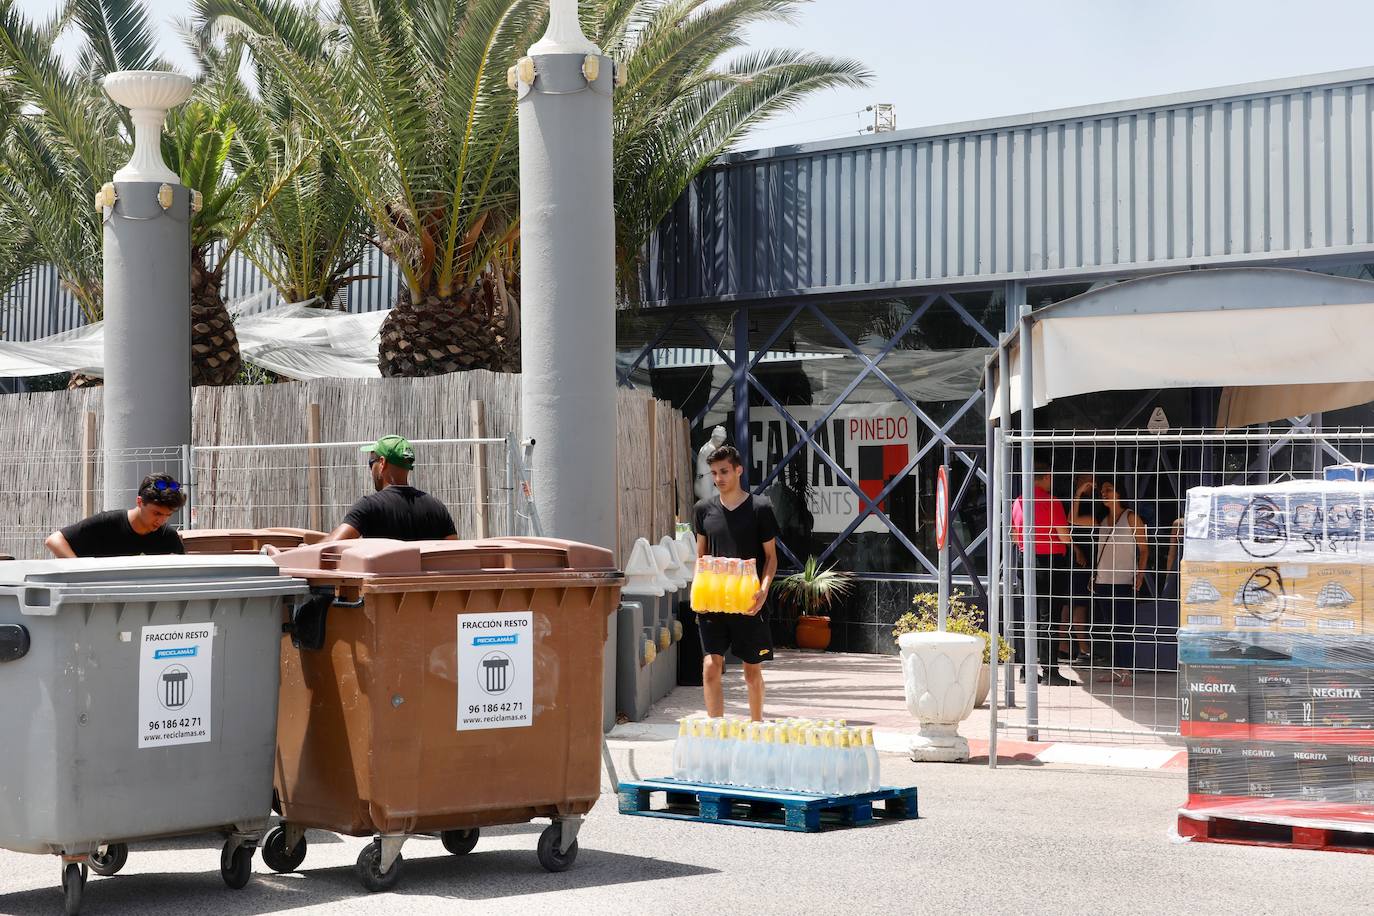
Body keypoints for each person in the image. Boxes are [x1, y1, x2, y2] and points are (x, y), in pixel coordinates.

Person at [693, 444, 778, 721]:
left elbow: (771, 558)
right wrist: (699, 595)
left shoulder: (760, 507)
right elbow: (701, 558)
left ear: (739, 470)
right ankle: (716, 735)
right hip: (713, 603)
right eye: (714, 473)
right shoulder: (703, 509)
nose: (719, 478)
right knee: (710, 667)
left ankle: (756, 728)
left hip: (748, 602)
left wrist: (763, 592)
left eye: (724, 471)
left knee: (751, 672)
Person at [1010, 460, 1074, 686]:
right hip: (1049, 561)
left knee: (1030, 616)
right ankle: (1051, 671)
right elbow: (1064, 536)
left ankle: (1026, 670)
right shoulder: (1052, 501)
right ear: (1046, 477)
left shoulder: (1018, 501)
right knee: (1050, 617)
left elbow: (1014, 535)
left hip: (1025, 558)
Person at [324, 435, 458, 542]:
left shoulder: (369, 506)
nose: (371, 470)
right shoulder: (437, 508)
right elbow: (454, 553)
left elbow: (334, 543)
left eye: (371, 463)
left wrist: (306, 548)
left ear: (382, 463)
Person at [1085, 478, 1149, 687]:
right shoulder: (1102, 520)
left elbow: (1144, 549)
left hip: (1124, 580)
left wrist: (1140, 575)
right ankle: (1115, 669)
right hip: (1103, 580)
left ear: (1119, 493)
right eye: (1102, 490)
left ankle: (1127, 671)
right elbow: (1072, 518)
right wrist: (1079, 492)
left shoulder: (1131, 517)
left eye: (1109, 490)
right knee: (1110, 627)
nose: (1104, 493)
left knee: (1124, 627)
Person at [45, 474, 187, 558]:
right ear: (139, 502)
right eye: (157, 513)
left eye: (168, 515)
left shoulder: (168, 537)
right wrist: (79, 569)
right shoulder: (107, 523)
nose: (161, 521)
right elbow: (54, 540)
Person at [694, 426, 728, 501]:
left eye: (721, 441)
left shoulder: (708, 446)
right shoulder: (709, 449)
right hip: (704, 483)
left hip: (706, 481)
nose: (720, 443)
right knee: (711, 504)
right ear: (714, 438)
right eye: (719, 441)